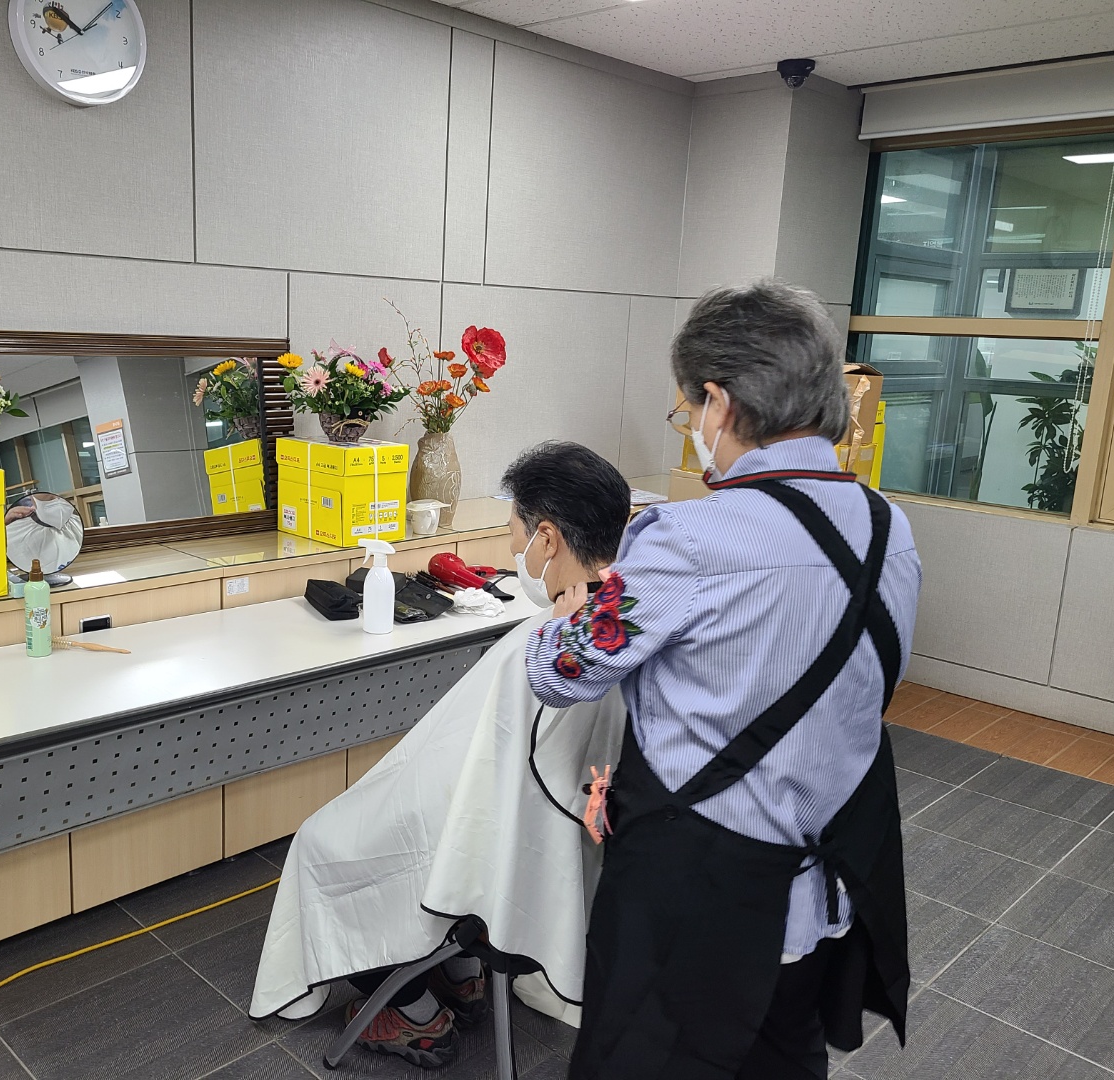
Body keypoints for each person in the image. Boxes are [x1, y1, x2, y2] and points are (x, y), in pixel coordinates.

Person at [526, 280, 922, 1080]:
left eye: (690, 410)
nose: (695, 429)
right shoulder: (889, 528)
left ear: (721, 402)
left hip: (697, 900)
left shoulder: (686, 538)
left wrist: (569, 614)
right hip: (829, 878)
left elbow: (561, 671)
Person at [249, 442, 632, 1068]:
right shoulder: (626, 622)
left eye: (514, 532)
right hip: (541, 848)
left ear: (547, 537)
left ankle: (415, 1014)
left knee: (320, 845)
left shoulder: (550, 644)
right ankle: (461, 970)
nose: (512, 549)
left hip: (482, 838)